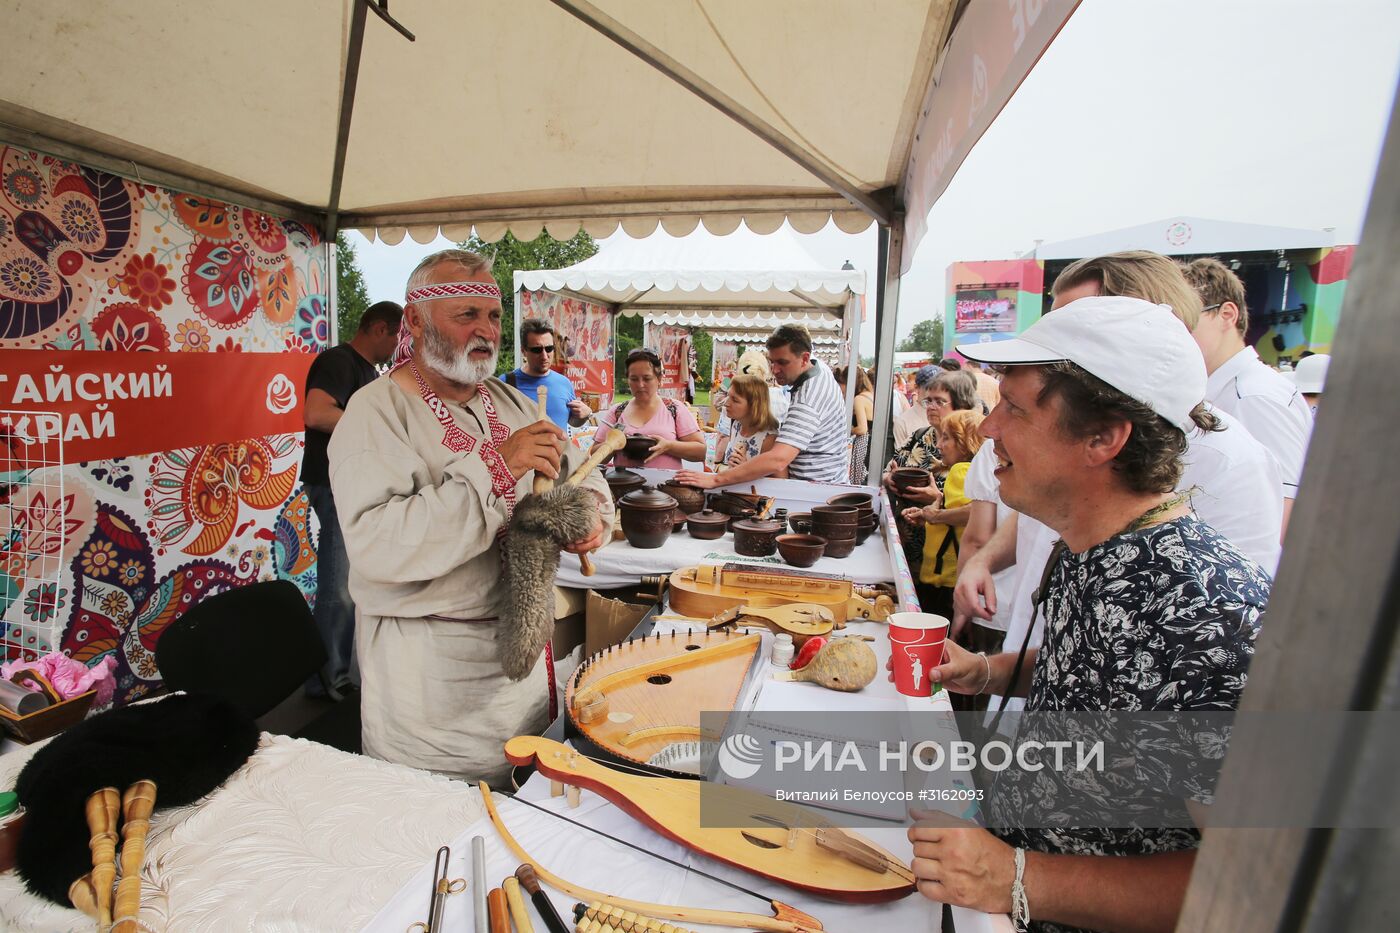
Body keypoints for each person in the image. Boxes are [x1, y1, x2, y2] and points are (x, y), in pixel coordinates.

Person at [911, 296, 1269, 933]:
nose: (989, 429)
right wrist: (988, 671)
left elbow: (1253, 886)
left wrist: (1018, 878)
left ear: (1103, 438)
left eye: (1014, 409)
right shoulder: (1092, 548)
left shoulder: (1215, 618)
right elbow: (1103, 676)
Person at [327, 249, 611, 783]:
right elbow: (380, 545)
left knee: (525, 814)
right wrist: (497, 471)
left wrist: (592, 515)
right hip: (433, 686)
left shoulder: (511, 402)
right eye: (466, 316)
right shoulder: (375, 412)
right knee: (442, 840)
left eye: (494, 317)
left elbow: (582, 472)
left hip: (523, 671)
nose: (486, 331)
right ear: (415, 321)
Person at [301, 300, 402, 697]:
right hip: (333, 485)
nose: (396, 349)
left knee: (352, 584)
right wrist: (374, 429)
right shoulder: (338, 362)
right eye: (396, 338)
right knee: (338, 588)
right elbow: (315, 413)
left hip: (353, 485)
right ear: (379, 329)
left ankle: (340, 673)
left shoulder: (367, 370)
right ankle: (327, 680)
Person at [1182, 257, 1315, 536]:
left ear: (1227, 314)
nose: (1175, 331)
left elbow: (1280, 514)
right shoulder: (1234, 389)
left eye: (1185, 319)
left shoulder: (1253, 397)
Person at [676, 324, 846, 487]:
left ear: (805, 358)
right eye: (772, 361)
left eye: (782, 362)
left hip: (815, 491)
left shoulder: (808, 397)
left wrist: (715, 480)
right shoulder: (818, 367)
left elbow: (778, 460)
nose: (775, 369)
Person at [880, 371, 977, 568]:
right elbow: (888, 469)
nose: (931, 406)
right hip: (906, 542)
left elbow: (980, 510)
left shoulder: (974, 447)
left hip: (944, 555)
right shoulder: (920, 436)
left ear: (961, 405)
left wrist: (936, 499)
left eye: (939, 401)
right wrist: (888, 478)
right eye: (928, 400)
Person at [900, 408, 984, 620]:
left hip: (944, 577)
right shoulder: (974, 471)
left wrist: (935, 516)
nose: (938, 445)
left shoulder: (960, 471)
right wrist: (927, 515)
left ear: (964, 443)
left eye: (946, 438)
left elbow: (972, 513)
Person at [595, 348, 706, 469]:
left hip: (666, 486)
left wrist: (669, 446)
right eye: (634, 379)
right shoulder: (617, 411)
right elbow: (594, 455)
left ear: (659, 379)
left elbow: (700, 452)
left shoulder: (674, 408)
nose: (640, 384)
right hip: (624, 485)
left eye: (647, 379)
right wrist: (612, 445)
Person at [501, 319, 591, 430]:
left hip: (559, 447)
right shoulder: (506, 383)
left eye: (549, 349)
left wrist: (585, 415)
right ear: (523, 350)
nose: (544, 356)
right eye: (537, 350)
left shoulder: (564, 383)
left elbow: (571, 421)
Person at [714, 374, 781, 474]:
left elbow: (779, 481)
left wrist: (746, 468)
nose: (726, 403)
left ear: (754, 406)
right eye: (728, 396)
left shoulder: (768, 438)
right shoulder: (737, 425)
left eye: (735, 400)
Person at [833, 365, 875, 484]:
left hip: (863, 442)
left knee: (858, 477)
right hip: (872, 442)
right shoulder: (870, 395)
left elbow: (862, 428)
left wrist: (849, 430)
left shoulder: (859, 399)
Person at [893, 364, 940, 448]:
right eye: (929, 388)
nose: (935, 392)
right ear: (917, 387)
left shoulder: (949, 415)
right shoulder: (903, 421)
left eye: (940, 388)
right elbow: (900, 457)